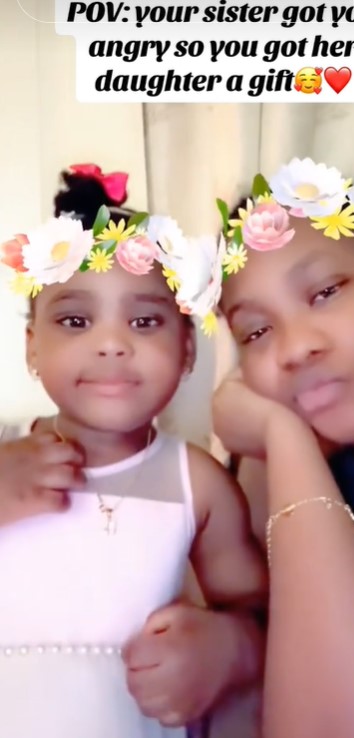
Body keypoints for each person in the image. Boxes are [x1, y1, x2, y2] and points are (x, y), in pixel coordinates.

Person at [0, 164, 267, 738]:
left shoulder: (200, 483)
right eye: (76, 320)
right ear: (32, 348)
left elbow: (264, 614)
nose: (112, 344)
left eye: (144, 321)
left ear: (187, 349)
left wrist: (233, 647)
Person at [208, 158, 354, 737]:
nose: (293, 349)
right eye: (256, 332)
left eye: (324, 292)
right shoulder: (301, 486)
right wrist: (283, 438)